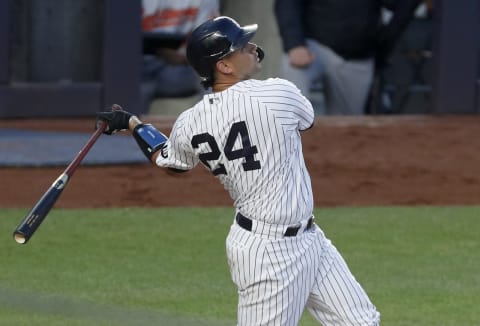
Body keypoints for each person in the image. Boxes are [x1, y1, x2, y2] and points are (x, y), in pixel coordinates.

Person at [96, 16, 380, 326]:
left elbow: (170, 162)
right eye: (242, 46)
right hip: (269, 253)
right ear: (225, 66)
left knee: (361, 322)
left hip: (310, 240)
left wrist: (133, 124)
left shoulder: (190, 122)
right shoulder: (278, 94)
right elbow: (306, 120)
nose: (253, 48)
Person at [274, 0, 421, 115]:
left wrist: (381, 49)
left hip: (358, 54)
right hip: (314, 47)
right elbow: (287, 3)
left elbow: (402, 7)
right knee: (292, 69)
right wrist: (294, 44)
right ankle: (289, 137)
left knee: (347, 125)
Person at [140, 0, 219, 112]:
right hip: (137, 69)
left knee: (214, 72)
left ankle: (211, 125)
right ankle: (128, 125)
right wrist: (159, 51)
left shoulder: (206, 1)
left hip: (177, 70)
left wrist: (184, 56)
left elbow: (208, 44)